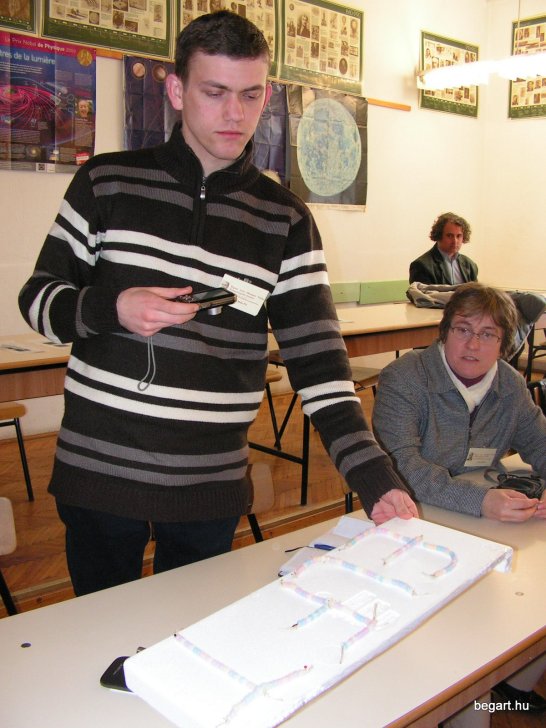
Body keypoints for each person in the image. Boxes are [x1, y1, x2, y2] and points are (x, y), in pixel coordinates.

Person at [18, 11, 416, 598]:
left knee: (191, 630)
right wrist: (113, 307)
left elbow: (320, 366)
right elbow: (38, 301)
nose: (235, 113)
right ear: (177, 91)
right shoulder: (107, 182)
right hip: (99, 474)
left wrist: (374, 476)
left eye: (251, 95)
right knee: (98, 632)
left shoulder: (285, 219)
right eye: (215, 92)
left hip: (208, 486)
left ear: (267, 95)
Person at [373, 282, 546, 719]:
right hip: (411, 517)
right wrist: (481, 501)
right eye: (463, 329)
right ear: (444, 331)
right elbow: (402, 467)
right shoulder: (405, 378)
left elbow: (542, 442)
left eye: (488, 334)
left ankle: (511, 686)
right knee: (459, 645)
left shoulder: (509, 385)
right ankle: (462, 699)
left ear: (504, 344)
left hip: (484, 521)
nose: (473, 344)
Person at [409, 212, 478, 285]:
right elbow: (423, 292)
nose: (455, 241)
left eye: (459, 236)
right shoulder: (421, 266)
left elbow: (475, 291)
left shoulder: (470, 265)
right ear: (439, 235)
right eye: (449, 236)